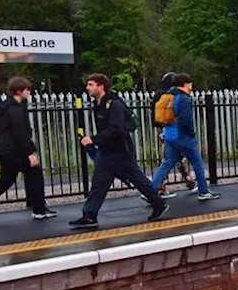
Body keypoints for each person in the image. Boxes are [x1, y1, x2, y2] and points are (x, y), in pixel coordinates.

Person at [71, 74, 168, 229]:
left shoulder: (114, 104)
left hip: (121, 151)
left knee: (137, 179)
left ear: (101, 86)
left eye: (90, 84)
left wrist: (93, 139)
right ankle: (89, 215)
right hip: (106, 151)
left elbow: (116, 129)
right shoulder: (99, 104)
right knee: (98, 183)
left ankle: (158, 203)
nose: (87, 88)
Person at [0, 77, 56, 224]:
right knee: (8, 180)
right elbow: (20, 133)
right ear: (19, 91)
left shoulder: (7, 106)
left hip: (8, 150)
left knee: (31, 174)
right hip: (13, 150)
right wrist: (30, 153)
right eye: (27, 90)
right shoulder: (14, 109)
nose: (29, 92)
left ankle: (39, 208)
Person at [151, 73, 219, 201]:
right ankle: (203, 191)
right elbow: (186, 120)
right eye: (190, 83)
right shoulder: (183, 98)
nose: (191, 85)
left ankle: (151, 191)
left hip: (169, 134)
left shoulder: (168, 95)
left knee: (167, 163)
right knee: (197, 163)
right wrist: (191, 134)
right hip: (182, 136)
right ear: (185, 84)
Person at [150, 72, 196, 199]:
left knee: (174, 158)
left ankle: (188, 181)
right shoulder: (170, 95)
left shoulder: (158, 94)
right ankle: (158, 187)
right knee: (172, 159)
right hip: (173, 130)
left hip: (162, 129)